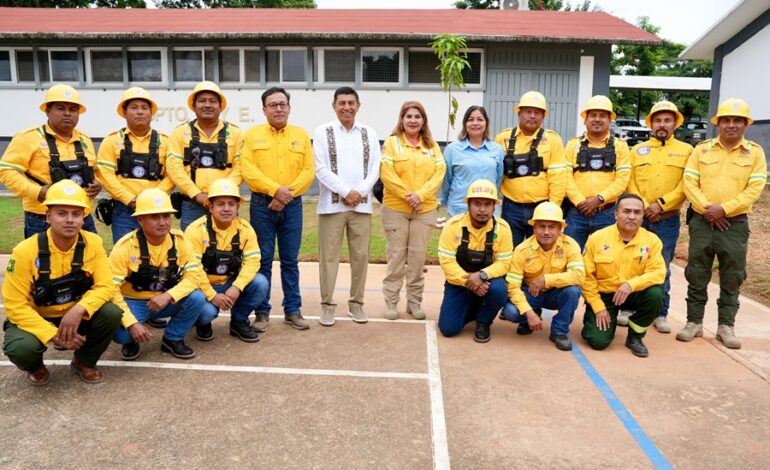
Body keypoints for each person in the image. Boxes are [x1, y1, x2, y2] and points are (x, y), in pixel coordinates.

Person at [2, 180, 123, 385]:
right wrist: (53, 334)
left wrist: (80, 309)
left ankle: (84, 362)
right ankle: (35, 366)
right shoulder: (25, 251)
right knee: (20, 348)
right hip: (39, 315)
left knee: (112, 313)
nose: (70, 220)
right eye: (61, 213)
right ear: (48, 216)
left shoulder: (93, 243)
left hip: (75, 314)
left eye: (76, 214)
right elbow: (15, 305)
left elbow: (106, 285)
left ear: (83, 218)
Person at [678, 98, 767, 349]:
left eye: (737, 120)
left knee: (733, 275)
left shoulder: (755, 153)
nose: (731, 125)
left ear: (745, 124)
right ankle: (693, 322)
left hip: (734, 224)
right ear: (718, 124)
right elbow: (690, 182)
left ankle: (726, 326)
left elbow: (755, 188)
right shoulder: (702, 149)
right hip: (703, 222)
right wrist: (709, 210)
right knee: (697, 273)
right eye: (725, 120)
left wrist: (725, 209)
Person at [240, 87, 315, 331]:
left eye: (282, 104)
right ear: (264, 109)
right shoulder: (252, 135)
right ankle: (262, 312)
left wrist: (284, 196)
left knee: (290, 260)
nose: (278, 108)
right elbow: (248, 170)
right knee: (262, 260)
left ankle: (292, 310)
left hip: (292, 206)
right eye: (273, 105)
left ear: (289, 108)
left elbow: (308, 171)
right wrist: (275, 191)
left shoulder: (301, 135)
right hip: (262, 205)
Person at [110, 188, 207, 360]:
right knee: (122, 333)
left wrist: (169, 295)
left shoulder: (181, 241)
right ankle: (130, 340)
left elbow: (194, 276)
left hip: (165, 300)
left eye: (166, 216)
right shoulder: (124, 247)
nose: (162, 222)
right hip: (134, 301)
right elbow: (111, 289)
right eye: (154, 217)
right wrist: (131, 324)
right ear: (140, 219)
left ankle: (172, 339)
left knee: (197, 298)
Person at [312, 87, 381, 326]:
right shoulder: (323, 131)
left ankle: (356, 304)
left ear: (358, 105)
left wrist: (359, 193)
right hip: (331, 206)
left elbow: (375, 168)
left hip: (361, 207)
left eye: (351, 102)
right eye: (342, 103)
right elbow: (320, 169)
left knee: (360, 257)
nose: (347, 107)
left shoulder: (369, 133)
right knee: (329, 257)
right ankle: (327, 305)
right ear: (334, 106)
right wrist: (344, 191)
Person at [0, 84, 101, 238]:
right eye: (61, 108)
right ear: (47, 110)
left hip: (82, 217)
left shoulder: (84, 139)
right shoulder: (27, 138)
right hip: (42, 219)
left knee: (89, 259)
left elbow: (94, 171)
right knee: (45, 262)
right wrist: (38, 192)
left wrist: (97, 183)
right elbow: (6, 171)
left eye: (73, 110)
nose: (67, 114)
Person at [626, 101, 693, 333]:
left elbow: (686, 184)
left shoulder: (687, 151)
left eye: (667, 120)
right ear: (650, 123)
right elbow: (630, 180)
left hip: (667, 219)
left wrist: (661, 205)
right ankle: (630, 307)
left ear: (675, 123)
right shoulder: (636, 150)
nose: (662, 125)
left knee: (661, 265)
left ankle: (660, 313)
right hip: (639, 218)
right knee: (634, 262)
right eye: (658, 120)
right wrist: (645, 207)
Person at [380, 101, 446, 320]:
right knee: (396, 257)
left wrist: (421, 196)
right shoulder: (392, 143)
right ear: (402, 119)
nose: (413, 120)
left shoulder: (432, 145)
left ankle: (414, 302)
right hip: (396, 208)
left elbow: (439, 172)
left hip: (424, 209)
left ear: (423, 120)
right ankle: (391, 302)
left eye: (417, 116)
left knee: (417, 258)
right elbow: (386, 173)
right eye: (408, 116)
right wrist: (408, 195)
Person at [581, 193, 666, 357]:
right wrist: (598, 308)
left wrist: (630, 285)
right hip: (604, 295)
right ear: (616, 214)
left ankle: (635, 336)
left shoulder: (652, 240)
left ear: (643, 216)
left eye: (637, 212)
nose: (632, 216)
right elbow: (586, 276)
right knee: (597, 342)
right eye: (626, 211)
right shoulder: (598, 238)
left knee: (656, 295)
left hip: (633, 293)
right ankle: (592, 319)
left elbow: (658, 273)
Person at [185, 179, 268, 343]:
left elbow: (253, 262)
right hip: (202, 287)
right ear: (210, 206)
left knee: (260, 283)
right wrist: (211, 294)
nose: (226, 209)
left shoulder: (245, 230)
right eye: (220, 204)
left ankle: (238, 321)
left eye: (231, 204)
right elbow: (192, 269)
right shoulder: (195, 230)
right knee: (206, 312)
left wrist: (237, 287)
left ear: (238, 207)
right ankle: (202, 323)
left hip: (230, 282)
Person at [500, 202, 584, 351]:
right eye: (541, 226)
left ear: (560, 229)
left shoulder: (570, 245)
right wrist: (529, 312)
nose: (546, 232)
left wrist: (546, 279)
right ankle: (530, 317)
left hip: (555, 293)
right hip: (530, 293)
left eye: (551, 227)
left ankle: (559, 331)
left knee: (572, 291)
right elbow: (512, 286)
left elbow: (578, 276)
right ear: (534, 228)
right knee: (510, 312)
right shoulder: (522, 250)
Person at [437, 179, 513, 342]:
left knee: (500, 290)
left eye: (487, 204)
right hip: (459, 282)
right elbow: (447, 262)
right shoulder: (453, 226)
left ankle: (483, 322)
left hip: (487, 282)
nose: (483, 209)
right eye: (477, 204)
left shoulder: (503, 229)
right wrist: (469, 282)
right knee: (448, 329)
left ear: (494, 206)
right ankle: (474, 306)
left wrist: (482, 275)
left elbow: (504, 263)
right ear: (468, 205)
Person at [96, 87, 175, 243]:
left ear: (151, 113)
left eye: (144, 108)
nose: (140, 112)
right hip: (124, 210)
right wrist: (130, 199)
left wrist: (151, 198)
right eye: (134, 107)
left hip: (157, 209)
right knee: (125, 251)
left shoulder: (166, 142)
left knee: (157, 254)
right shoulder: (111, 141)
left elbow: (172, 174)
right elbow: (105, 175)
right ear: (124, 111)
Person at [167, 81, 243, 230]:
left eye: (213, 101)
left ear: (220, 107)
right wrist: (196, 194)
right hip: (191, 204)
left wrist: (221, 194)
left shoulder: (235, 133)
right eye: (202, 101)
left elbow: (240, 167)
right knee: (191, 249)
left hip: (224, 204)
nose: (207, 105)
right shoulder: (179, 132)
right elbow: (174, 167)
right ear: (194, 106)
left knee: (228, 246)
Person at [495, 91, 568, 246]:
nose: (532, 116)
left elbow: (558, 178)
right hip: (511, 207)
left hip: (541, 208)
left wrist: (552, 209)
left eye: (537, 112)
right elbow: (496, 173)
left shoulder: (553, 140)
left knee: (538, 251)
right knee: (508, 250)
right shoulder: (503, 138)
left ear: (543, 116)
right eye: (528, 111)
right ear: (519, 113)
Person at [564, 95, 631, 249]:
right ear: (585, 119)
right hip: (576, 212)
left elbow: (622, 181)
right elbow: (565, 178)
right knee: (570, 257)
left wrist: (599, 199)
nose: (597, 119)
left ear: (609, 120)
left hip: (607, 213)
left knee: (606, 259)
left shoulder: (620, 147)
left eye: (602, 116)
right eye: (593, 115)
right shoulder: (572, 144)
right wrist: (581, 202)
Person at [439, 105, 504, 218]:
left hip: (488, 212)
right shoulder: (452, 149)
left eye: (479, 119)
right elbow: (446, 181)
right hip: (458, 210)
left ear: (486, 123)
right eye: (470, 119)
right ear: (465, 124)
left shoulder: (497, 150)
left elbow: (498, 180)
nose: (475, 123)